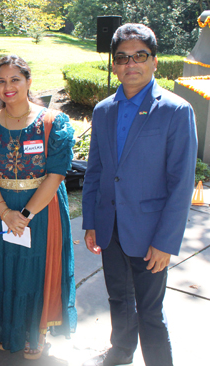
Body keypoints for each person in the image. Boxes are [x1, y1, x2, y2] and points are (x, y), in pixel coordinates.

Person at [81, 24, 197, 366]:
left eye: (140, 56)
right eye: (122, 58)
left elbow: (180, 183)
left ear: (155, 62)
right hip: (110, 228)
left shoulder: (176, 111)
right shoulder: (104, 110)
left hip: (151, 233)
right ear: (113, 65)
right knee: (118, 298)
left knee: (149, 311)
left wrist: (166, 241)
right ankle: (120, 352)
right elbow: (96, 171)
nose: (131, 63)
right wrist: (91, 222)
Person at [0, 55, 77, 360]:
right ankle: (7, 327)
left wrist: (25, 215)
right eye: (0, 81)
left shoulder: (53, 123)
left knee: (36, 268)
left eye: (15, 79)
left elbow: (56, 174)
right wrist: (5, 213)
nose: (7, 86)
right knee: (3, 265)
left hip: (42, 211)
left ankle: (35, 331)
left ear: (29, 82)